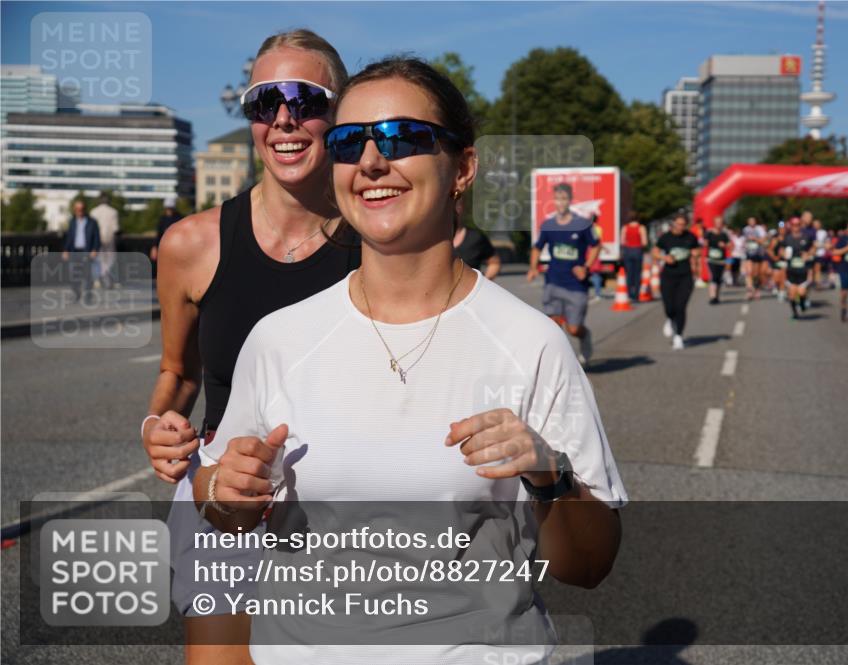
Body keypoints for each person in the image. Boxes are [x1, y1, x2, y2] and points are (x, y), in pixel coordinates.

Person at [192, 55, 626, 665]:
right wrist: (225, 492)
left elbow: (589, 566)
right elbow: (217, 505)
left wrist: (549, 475)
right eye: (348, 142)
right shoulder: (279, 338)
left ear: (463, 167)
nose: (372, 160)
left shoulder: (530, 342)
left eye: (404, 138)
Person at [142, 29, 357, 665]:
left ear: (341, 113)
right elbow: (177, 373)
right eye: (264, 101)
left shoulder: (379, 240)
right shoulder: (191, 244)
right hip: (224, 494)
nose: (284, 118)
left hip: (344, 510)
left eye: (305, 99)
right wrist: (158, 424)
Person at [528, 182, 599, 365]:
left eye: (564, 199)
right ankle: (560, 362)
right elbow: (537, 248)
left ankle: (584, 335)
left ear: (570, 200)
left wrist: (586, 267)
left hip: (576, 284)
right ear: (554, 200)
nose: (560, 203)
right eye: (557, 199)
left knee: (573, 328)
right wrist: (533, 267)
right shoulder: (548, 225)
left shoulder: (582, 224)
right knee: (553, 324)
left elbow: (596, 245)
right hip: (553, 281)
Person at [653, 214, 701, 349]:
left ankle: (678, 336)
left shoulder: (690, 236)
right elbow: (655, 252)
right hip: (668, 276)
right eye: (678, 224)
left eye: (683, 225)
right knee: (669, 307)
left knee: (681, 307)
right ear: (673, 224)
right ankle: (670, 319)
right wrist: (664, 257)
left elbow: (697, 250)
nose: (681, 227)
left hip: (685, 276)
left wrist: (696, 253)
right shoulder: (665, 237)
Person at [60, 199, 101, 300]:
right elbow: (69, 237)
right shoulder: (72, 222)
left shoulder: (92, 222)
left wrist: (95, 249)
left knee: (87, 275)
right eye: (77, 209)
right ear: (74, 210)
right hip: (74, 251)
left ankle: (88, 296)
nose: (80, 211)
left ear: (85, 209)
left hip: (87, 251)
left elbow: (97, 237)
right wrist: (65, 250)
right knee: (73, 275)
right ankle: (76, 293)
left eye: (82, 209)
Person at [780, 216, 814, 319]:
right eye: (794, 225)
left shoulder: (806, 237)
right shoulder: (787, 237)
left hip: (803, 270)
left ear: (801, 225)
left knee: (801, 292)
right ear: (791, 226)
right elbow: (780, 249)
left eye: (798, 225)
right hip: (791, 270)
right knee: (792, 293)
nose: (796, 227)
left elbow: (813, 248)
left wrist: (808, 254)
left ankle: (803, 304)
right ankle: (794, 313)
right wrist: (783, 254)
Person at [90, 193, 120, 288]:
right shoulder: (113, 212)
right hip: (109, 237)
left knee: (98, 259)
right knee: (110, 259)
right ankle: (107, 277)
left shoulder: (93, 212)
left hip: (97, 238)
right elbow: (116, 228)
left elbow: (91, 229)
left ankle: (97, 279)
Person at [620, 210, 647, 301]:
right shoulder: (641, 227)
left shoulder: (625, 227)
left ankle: (629, 293)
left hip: (628, 251)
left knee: (629, 273)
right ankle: (636, 294)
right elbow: (644, 242)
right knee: (637, 273)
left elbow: (622, 241)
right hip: (637, 250)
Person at [703, 215, 730, 305]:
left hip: (721, 260)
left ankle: (716, 296)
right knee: (713, 277)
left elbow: (730, 246)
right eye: (717, 223)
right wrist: (706, 243)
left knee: (718, 278)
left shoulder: (724, 234)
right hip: (711, 259)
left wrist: (724, 245)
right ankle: (712, 296)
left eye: (721, 223)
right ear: (714, 223)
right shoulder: (709, 233)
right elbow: (704, 244)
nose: (719, 224)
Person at [150, 197, 183, 263]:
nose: (169, 210)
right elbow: (159, 235)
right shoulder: (162, 219)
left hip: (176, 249)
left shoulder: (179, 218)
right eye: (168, 208)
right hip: (165, 249)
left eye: (170, 208)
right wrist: (154, 247)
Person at [742, 216, 767, 300]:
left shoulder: (759, 229)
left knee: (756, 274)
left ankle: (757, 290)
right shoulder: (745, 229)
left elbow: (763, 240)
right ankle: (749, 290)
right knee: (749, 272)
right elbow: (744, 240)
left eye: (753, 221)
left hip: (758, 253)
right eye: (750, 221)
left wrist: (754, 239)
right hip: (749, 253)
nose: (751, 222)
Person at [768, 222, 788, 301]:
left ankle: (782, 292)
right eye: (780, 229)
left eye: (783, 228)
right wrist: (774, 257)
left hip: (785, 261)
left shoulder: (788, 238)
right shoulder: (775, 239)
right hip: (777, 261)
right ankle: (778, 287)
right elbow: (769, 250)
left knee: (783, 277)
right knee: (776, 279)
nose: (782, 230)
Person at [811, 218, 831, 289]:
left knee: (817, 269)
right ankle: (811, 281)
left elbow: (827, 242)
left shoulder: (823, 232)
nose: (816, 225)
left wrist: (823, 246)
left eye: (817, 224)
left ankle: (817, 283)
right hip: (811, 253)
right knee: (811, 269)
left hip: (820, 253)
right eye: (814, 224)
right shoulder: (810, 231)